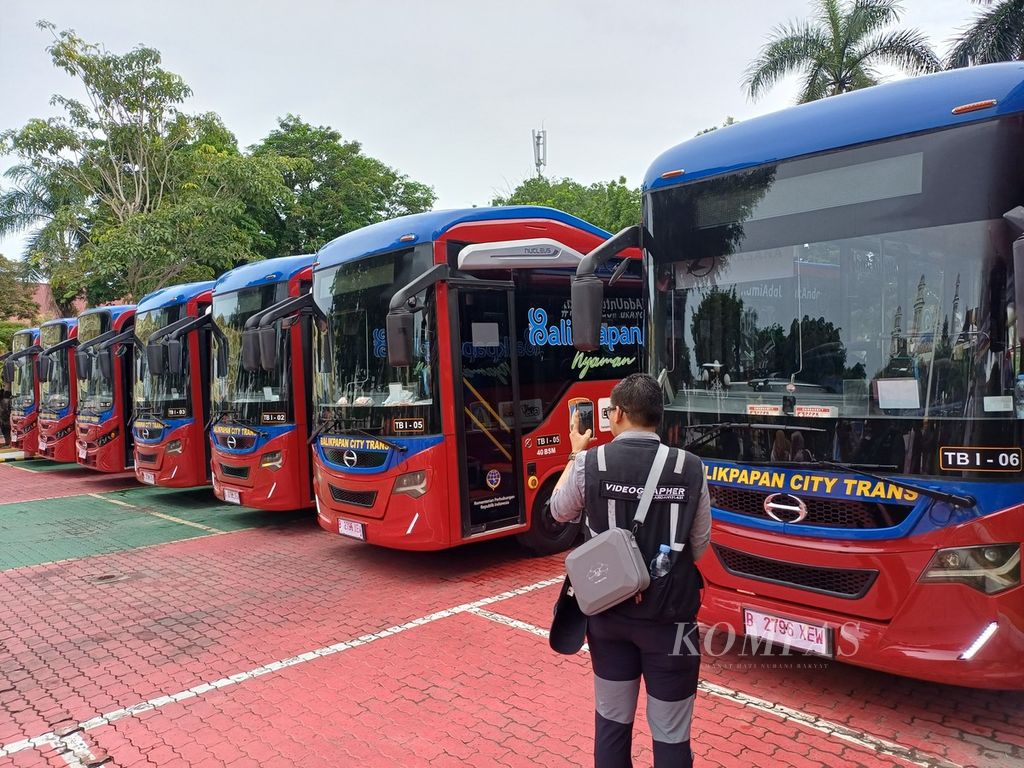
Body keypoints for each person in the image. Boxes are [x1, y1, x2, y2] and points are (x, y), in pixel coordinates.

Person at [550, 372, 711, 768]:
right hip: (673, 623)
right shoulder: (691, 467)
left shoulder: (591, 462)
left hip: (608, 618)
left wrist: (575, 454)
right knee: (671, 734)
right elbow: (700, 545)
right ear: (657, 415)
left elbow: (558, 511)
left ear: (617, 413)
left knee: (612, 723)